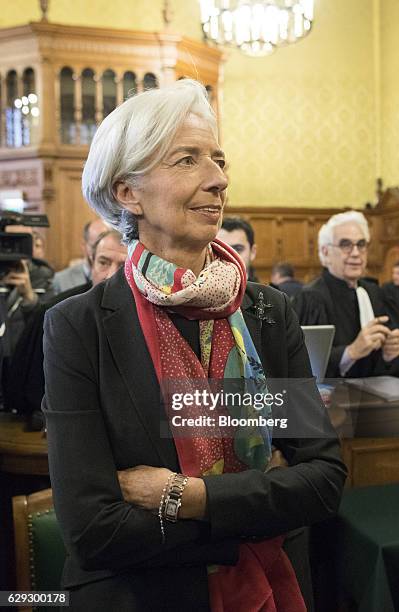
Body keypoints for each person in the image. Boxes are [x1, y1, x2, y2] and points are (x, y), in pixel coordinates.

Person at [42, 79, 346, 612]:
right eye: (187, 160)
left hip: (276, 588)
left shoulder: (268, 313)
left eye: (219, 160)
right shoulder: (78, 326)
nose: (218, 179)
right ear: (126, 192)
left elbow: (321, 482)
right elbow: (94, 531)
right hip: (141, 597)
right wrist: (257, 506)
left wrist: (184, 497)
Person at [5, 230, 126, 422]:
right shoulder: (56, 312)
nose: (110, 275)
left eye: (123, 266)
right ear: (91, 262)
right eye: (103, 262)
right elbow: (29, 391)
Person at [293, 210, 399, 378]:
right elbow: (300, 364)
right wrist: (350, 352)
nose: (356, 253)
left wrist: (390, 354)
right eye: (346, 244)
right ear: (325, 252)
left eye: (361, 244)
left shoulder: (377, 294)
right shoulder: (311, 299)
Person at [52, 218, 108, 294]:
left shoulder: (117, 277)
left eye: (107, 247)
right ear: (84, 245)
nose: (101, 252)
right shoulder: (60, 280)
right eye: (95, 246)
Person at [217, 217, 259, 281]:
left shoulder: (265, 291)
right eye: (221, 250)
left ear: (253, 252)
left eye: (238, 249)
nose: (229, 257)